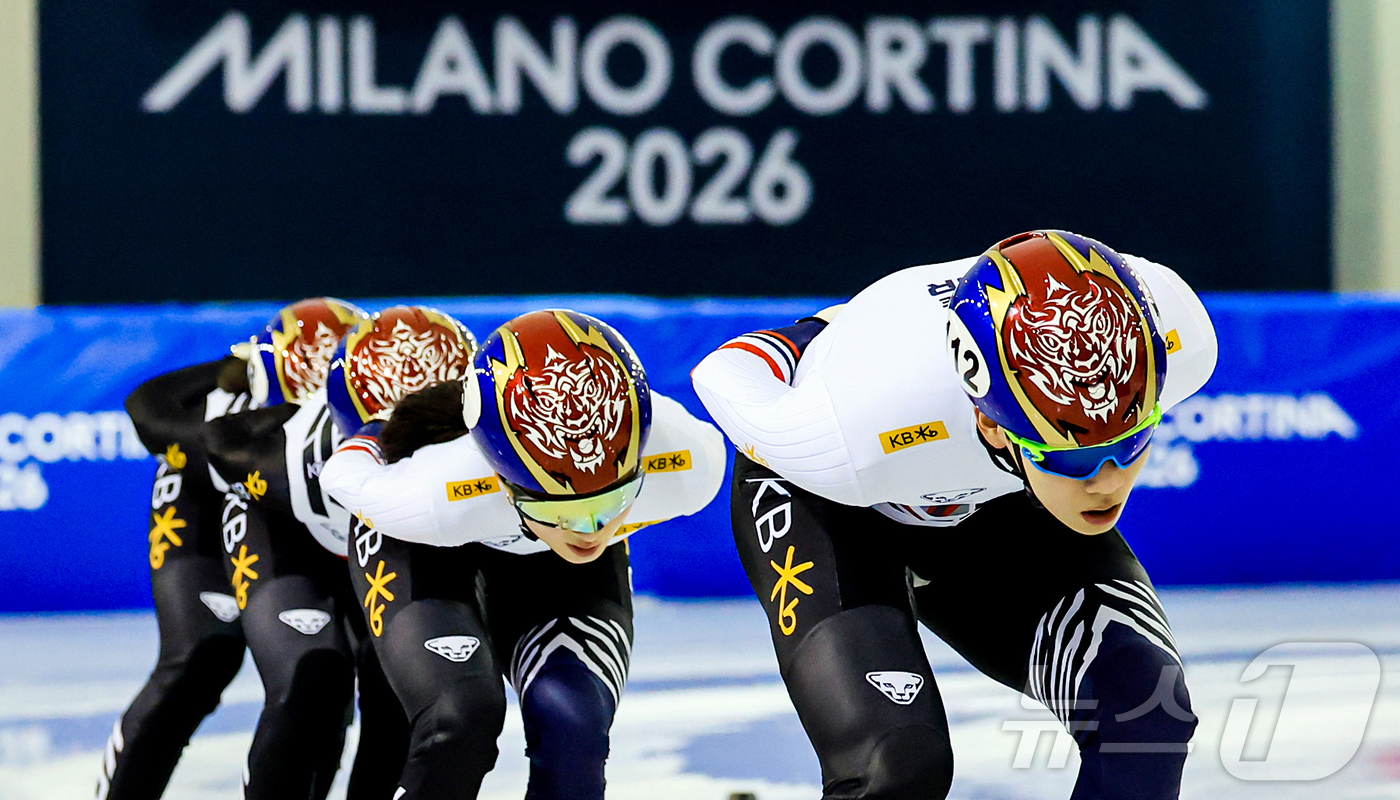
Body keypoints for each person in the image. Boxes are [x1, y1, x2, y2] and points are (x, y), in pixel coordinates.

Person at [691, 230, 1218, 800]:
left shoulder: (1176, 337)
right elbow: (723, 371)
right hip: (837, 505)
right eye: (1075, 457)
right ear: (990, 422)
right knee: (897, 768)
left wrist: (1063, 455)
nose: (1109, 482)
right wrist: (822, 338)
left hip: (995, 500)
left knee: (1145, 714)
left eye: (1134, 440)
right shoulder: (857, 430)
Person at [321, 308, 726, 800]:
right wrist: (374, 435)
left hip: (540, 562)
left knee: (572, 724)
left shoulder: (688, 465)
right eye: (560, 510)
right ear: (504, 485)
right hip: (428, 545)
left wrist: (558, 513)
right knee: (459, 723)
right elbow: (343, 476)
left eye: (613, 502)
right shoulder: (430, 493)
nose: (591, 531)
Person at [202, 296, 418, 800]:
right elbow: (163, 414)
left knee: (396, 692)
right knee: (314, 677)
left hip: (366, 541)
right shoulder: (263, 441)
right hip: (283, 531)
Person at [99, 351, 256, 800]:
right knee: (203, 654)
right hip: (202, 501)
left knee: (321, 677)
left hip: (295, 518)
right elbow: (146, 408)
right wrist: (243, 361)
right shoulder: (219, 413)